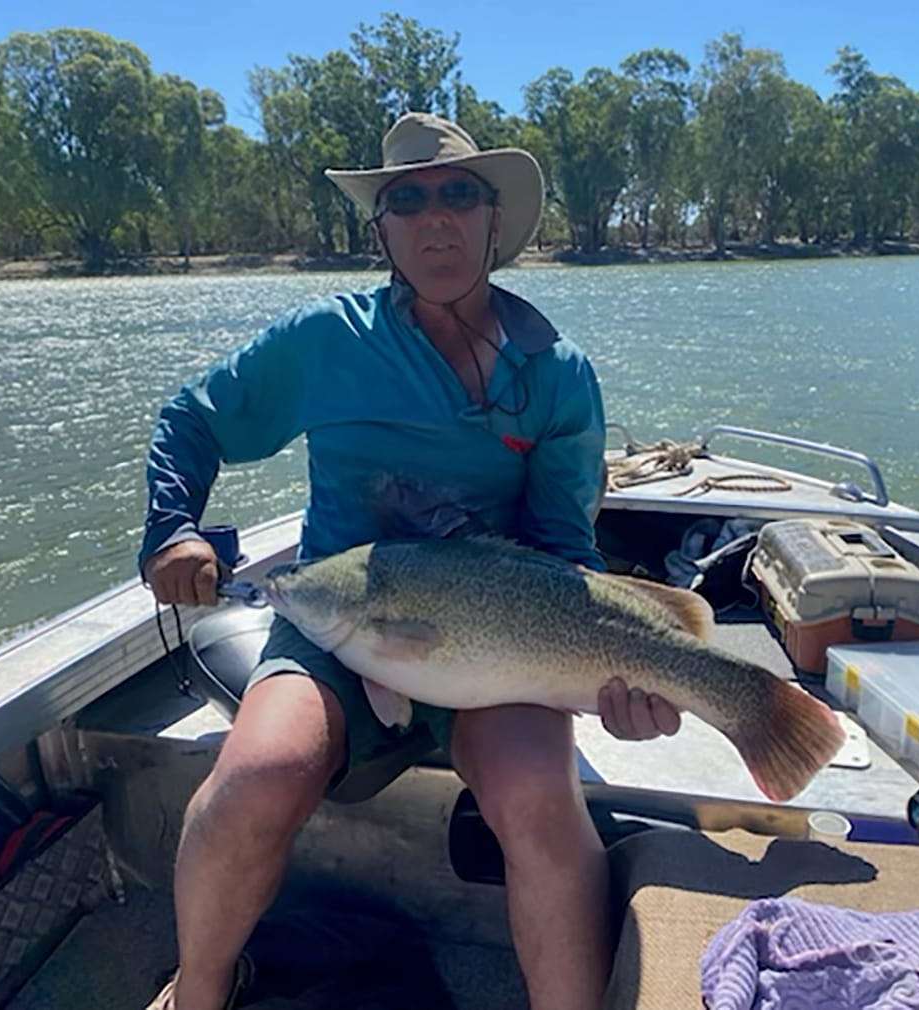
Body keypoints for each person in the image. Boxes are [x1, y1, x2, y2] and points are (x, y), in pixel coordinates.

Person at [138, 112, 681, 1010]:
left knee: (543, 807)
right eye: (408, 200)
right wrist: (172, 529)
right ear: (381, 228)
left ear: (493, 219)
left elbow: (562, 551)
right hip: (337, 623)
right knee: (254, 778)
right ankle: (201, 988)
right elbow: (192, 418)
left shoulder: (556, 372)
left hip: (503, 643)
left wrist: (616, 673)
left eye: (459, 195)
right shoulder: (326, 342)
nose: (436, 218)